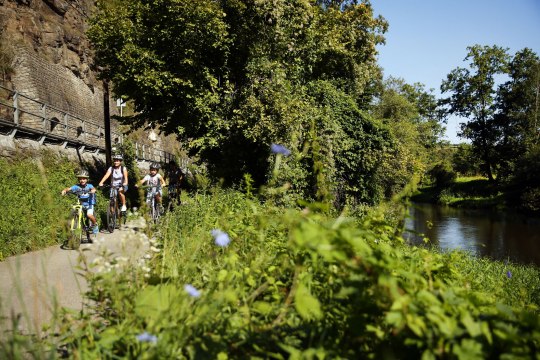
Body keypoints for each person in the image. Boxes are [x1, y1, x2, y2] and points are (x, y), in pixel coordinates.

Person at [61, 169, 99, 234]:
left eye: (84, 179)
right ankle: (77, 224)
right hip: (81, 203)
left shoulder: (89, 186)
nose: (82, 180)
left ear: (87, 179)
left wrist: (93, 191)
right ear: (78, 179)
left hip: (89, 203)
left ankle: (95, 224)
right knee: (76, 210)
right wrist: (64, 190)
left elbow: (93, 189)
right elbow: (69, 188)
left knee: (89, 215)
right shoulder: (76, 186)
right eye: (80, 179)